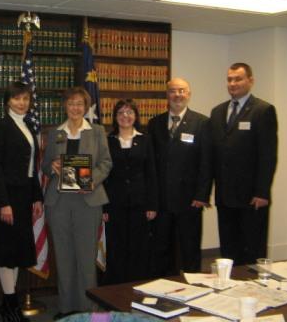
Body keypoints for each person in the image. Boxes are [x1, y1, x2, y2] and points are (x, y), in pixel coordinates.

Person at [41, 87, 112, 319]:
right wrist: (50, 167)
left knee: (85, 255)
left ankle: (88, 308)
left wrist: (92, 180)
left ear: (86, 106)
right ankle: (66, 307)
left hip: (87, 201)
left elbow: (106, 163)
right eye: (71, 103)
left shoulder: (97, 131)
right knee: (63, 255)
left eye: (80, 104)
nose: (75, 108)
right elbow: (44, 165)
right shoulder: (55, 133)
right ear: (65, 106)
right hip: (58, 202)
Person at [210, 63, 278, 265]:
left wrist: (262, 191)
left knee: (251, 249)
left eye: (238, 79)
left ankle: (253, 291)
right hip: (225, 195)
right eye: (229, 79)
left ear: (251, 80)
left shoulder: (263, 110)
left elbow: (268, 155)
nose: (233, 83)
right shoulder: (217, 112)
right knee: (229, 249)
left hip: (252, 197)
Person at [0, 82, 43, 322]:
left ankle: (8, 303)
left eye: (26, 99)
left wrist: (37, 196)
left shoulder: (29, 125)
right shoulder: (1, 126)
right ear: (8, 101)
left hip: (24, 196)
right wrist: (3, 202)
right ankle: (10, 305)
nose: (22, 103)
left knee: (19, 252)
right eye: (17, 99)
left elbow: (32, 167)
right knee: (7, 252)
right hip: (8, 196)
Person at [148, 78, 212, 275]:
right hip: (162, 200)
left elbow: (206, 162)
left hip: (189, 200)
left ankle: (194, 289)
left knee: (190, 248)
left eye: (182, 91)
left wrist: (202, 195)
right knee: (162, 249)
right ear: (167, 95)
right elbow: (151, 164)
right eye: (173, 91)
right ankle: (163, 288)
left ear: (189, 94)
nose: (177, 95)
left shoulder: (202, 123)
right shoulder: (155, 123)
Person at [103, 99, 157, 285]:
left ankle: (136, 287)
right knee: (116, 247)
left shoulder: (145, 140)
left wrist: (152, 204)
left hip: (140, 204)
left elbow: (152, 174)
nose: (125, 116)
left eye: (129, 112)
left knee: (138, 247)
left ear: (136, 116)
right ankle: (116, 289)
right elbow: (104, 176)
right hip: (114, 203)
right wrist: (104, 208)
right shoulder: (107, 141)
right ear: (115, 117)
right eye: (120, 113)